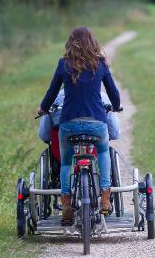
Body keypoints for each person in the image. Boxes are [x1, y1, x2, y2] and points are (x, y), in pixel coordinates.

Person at [38, 26, 120, 226]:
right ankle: (105, 196)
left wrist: (43, 108)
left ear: (71, 43)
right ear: (93, 43)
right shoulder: (100, 64)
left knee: (66, 162)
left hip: (69, 124)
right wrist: (117, 106)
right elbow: (113, 92)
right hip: (96, 124)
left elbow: (51, 92)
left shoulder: (63, 64)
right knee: (102, 152)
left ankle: (66, 204)